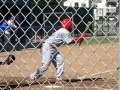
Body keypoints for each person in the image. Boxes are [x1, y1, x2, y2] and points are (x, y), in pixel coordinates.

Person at [30, 18, 88, 84]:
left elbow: (71, 39)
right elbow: (69, 41)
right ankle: (33, 77)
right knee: (45, 66)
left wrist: (79, 38)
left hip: (52, 47)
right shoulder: (64, 31)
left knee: (60, 60)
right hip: (48, 47)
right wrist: (80, 38)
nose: (71, 26)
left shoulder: (62, 30)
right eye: (71, 25)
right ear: (69, 25)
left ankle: (59, 79)